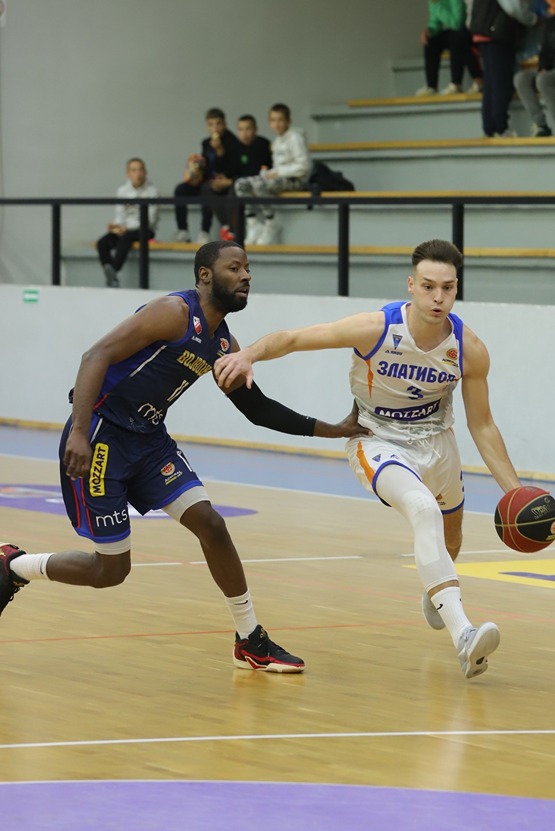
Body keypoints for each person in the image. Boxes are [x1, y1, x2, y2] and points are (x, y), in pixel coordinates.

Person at [0, 241, 365, 674]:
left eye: (248, 268)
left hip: (150, 442)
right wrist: (79, 431)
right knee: (111, 571)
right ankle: (15, 565)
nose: (246, 276)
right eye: (235, 268)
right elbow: (95, 355)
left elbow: (257, 409)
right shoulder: (173, 312)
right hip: (102, 436)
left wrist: (333, 429)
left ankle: (250, 640)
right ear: (205, 275)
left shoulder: (224, 343)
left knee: (212, 524)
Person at [214, 239, 525, 680]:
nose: (438, 297)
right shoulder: (375, 328)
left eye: (448, 288)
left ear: (457, 288)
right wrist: (247, 354)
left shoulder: (468, 347)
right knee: (421, 508)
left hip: (438, 441)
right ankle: (464, 636)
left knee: (450, 539)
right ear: (411, 285)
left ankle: (436, 589)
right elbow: (295, 338)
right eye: (429, 286)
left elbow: (483, 424)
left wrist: (516, 494)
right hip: (377, 439)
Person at [233, 103, 312, 245]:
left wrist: (277, 172)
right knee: (241, 184)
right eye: (273, 120)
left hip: (296, 180)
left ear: (289, 121)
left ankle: (271, 223)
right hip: (281, 178)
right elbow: (278, 167)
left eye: (280, 120)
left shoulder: (295, 137)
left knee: (259, 184)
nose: (277, 124)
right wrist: (267, 173)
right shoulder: (277, 140)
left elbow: (304, 166)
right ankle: (253, 223)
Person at [468, 0, 539, 136]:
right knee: (500, 82)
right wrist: (533, 19)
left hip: (481, 33)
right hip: (497, 33)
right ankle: (501, 127)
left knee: (490, 83)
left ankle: (489, 127)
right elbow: (512, 7)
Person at [174, 108, 241, 245]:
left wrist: (220, 152)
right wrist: (196, 172)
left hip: (224, 184)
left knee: (206, 189)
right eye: (211, 124)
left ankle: (204, 232)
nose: (215, 128)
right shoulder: (206, 143)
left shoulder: (233, 142)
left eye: (218, 124)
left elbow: (232, 168)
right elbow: (207, 166)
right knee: (180, 190)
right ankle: (183, 230)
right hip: (207, 179)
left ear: (225, 124)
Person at [96, 158, 159, 288]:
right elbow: (120, 214)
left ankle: (113, 270)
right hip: (125, 229)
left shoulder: (152, 192)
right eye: (134, 170)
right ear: (128, 174)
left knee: (126, 237)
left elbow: (150, 220)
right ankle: (111, 275)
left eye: (140, 170)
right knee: (102, 242)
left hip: (144, 230)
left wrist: (127, 228)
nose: (138, 174)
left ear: (145, 172)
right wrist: (116, 226)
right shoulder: (122, 191)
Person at [219, 115, 273, 242]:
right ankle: (226, 226)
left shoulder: (263, 144)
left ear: (255, 129)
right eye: (241, 129)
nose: (244, 133)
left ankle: (234, 232)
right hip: (239, 181)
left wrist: (231, 181)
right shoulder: (234, 147)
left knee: (234, 189)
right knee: (210, 188)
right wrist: (223, 177)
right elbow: (231, 169)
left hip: (259, 183)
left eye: (248, 129)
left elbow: (257, 171)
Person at [416, 0, 483, 96]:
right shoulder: (433, 2)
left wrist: (438, 6)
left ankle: (456, 83)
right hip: (456, 34)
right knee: (431, 41)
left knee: (456, 37)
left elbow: (457, 23)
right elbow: (435, 23)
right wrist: (429, 30)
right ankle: (431, 86)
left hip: (468, 32)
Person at [514, 1, 555, 136]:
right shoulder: (550, 21)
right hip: (550, 68)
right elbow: (546, 50)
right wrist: (543, 66)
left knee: (544, 80)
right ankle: (541, 125)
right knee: (521, 78)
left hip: (550, 72)